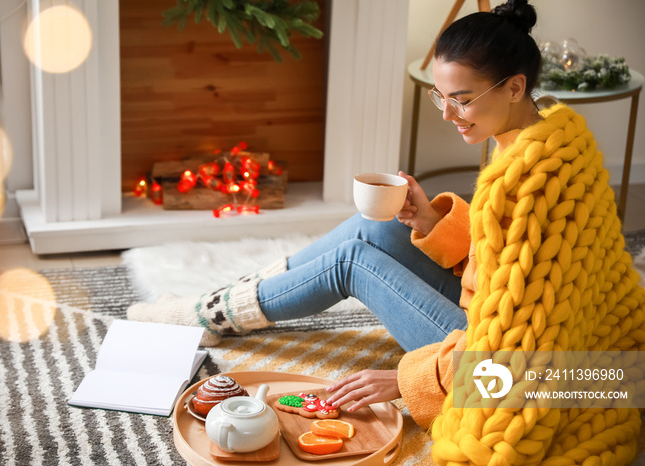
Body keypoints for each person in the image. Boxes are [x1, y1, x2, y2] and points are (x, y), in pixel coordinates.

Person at [128, 3, 645, 460]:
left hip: (521, 366)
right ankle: (218, 305)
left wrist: (407, 379)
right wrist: (429, 222)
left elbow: (518, 348)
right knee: (372, 226)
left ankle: (208, 314)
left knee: (355, 259)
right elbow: (507, 263)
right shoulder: (546, 137)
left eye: (461, 99)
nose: (448, 114)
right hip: (499, 319)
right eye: (441, 97)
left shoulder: (533, 186)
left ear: (514, 87)